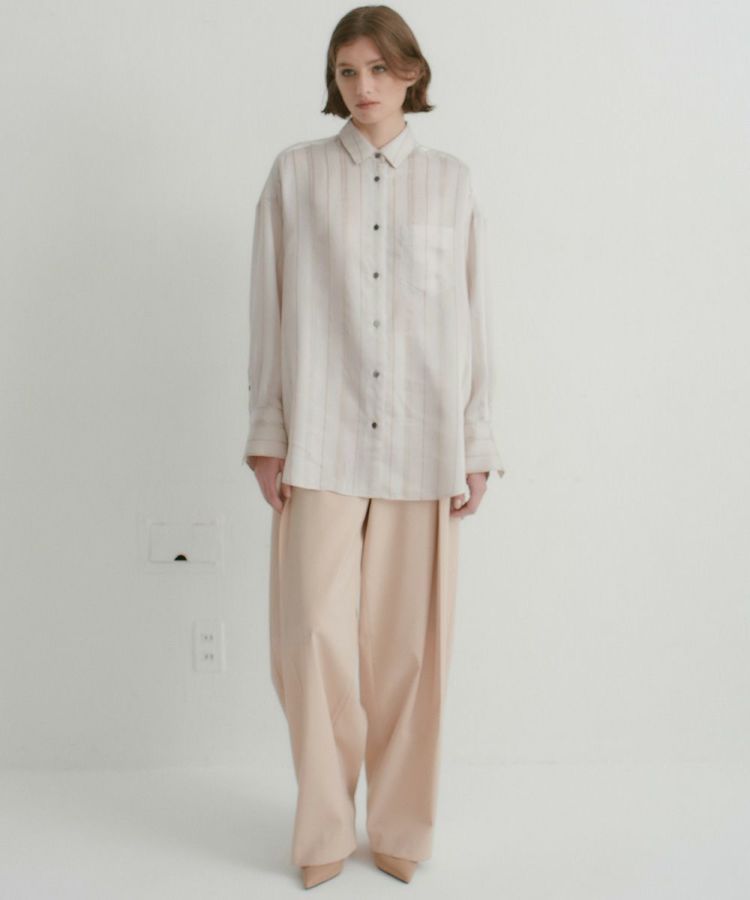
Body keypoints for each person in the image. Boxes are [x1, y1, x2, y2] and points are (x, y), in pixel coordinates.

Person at [242, 5, 505, 889]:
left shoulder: (452, 183)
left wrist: (476, 439)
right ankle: (322, 828)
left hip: (423, 446)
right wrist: (267, 431)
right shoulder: (296, 175)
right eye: (347, 71)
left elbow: (476, 319)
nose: (363, 87)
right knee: (311, 642)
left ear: (411, 74)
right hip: (319, 437)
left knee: (409, 655)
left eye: (379, 69)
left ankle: (400, 826)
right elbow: (270, 308)